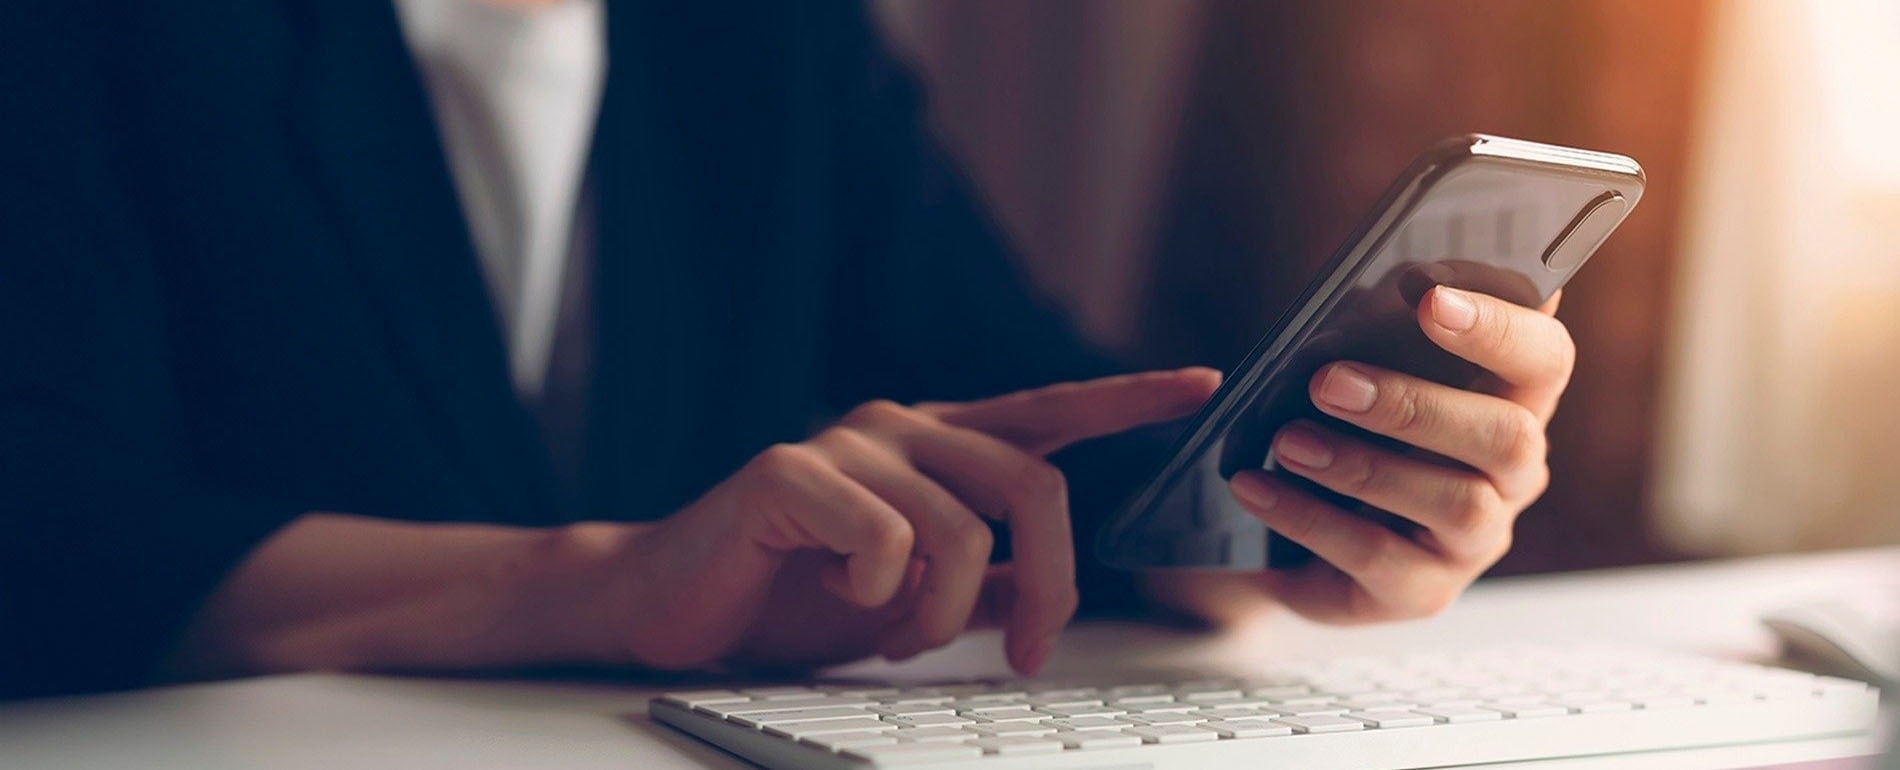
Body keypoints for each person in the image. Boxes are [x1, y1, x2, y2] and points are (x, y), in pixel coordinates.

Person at [0, 0, 1577, 700]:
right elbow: (56, 532)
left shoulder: (764, 33)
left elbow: (1032, 414)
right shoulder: (92, 30)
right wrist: (602, 581)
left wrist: (1285, 527)